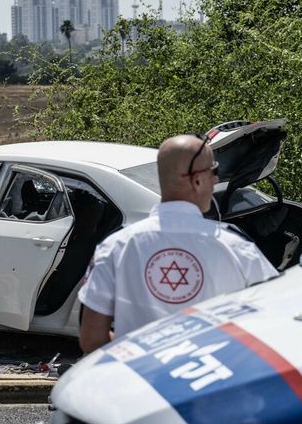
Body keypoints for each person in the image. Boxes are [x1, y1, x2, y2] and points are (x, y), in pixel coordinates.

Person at [78, 133, 277, 353]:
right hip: (212, 383)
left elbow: (92, 339)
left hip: (140, 382)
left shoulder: (115, 247)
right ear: (198, 180)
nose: (216, 180)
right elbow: (272, 321)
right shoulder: (236, 247)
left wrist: (134, 353)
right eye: (214, 171)